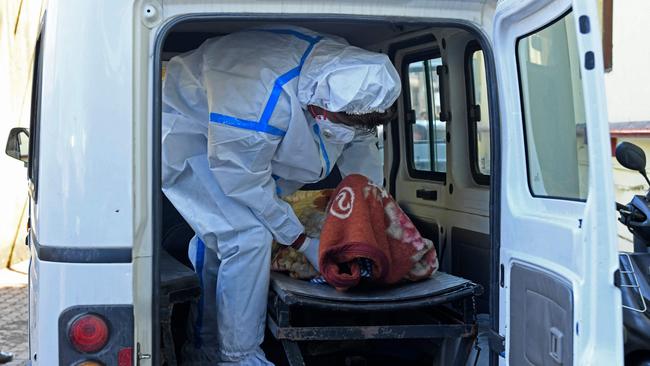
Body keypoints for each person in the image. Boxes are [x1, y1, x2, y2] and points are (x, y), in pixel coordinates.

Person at [162, 25, 401, 365]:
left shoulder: (353, 78)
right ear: (319, 103)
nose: (343, 131)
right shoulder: (256, 95)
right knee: (246, 236)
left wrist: (372, 203)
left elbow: (358, 139)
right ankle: (237, 356)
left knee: (225, 239)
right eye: (337, 122)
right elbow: (243, 180)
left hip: (243, 147)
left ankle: (202, 350)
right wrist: (303, 242)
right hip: (187, 135)